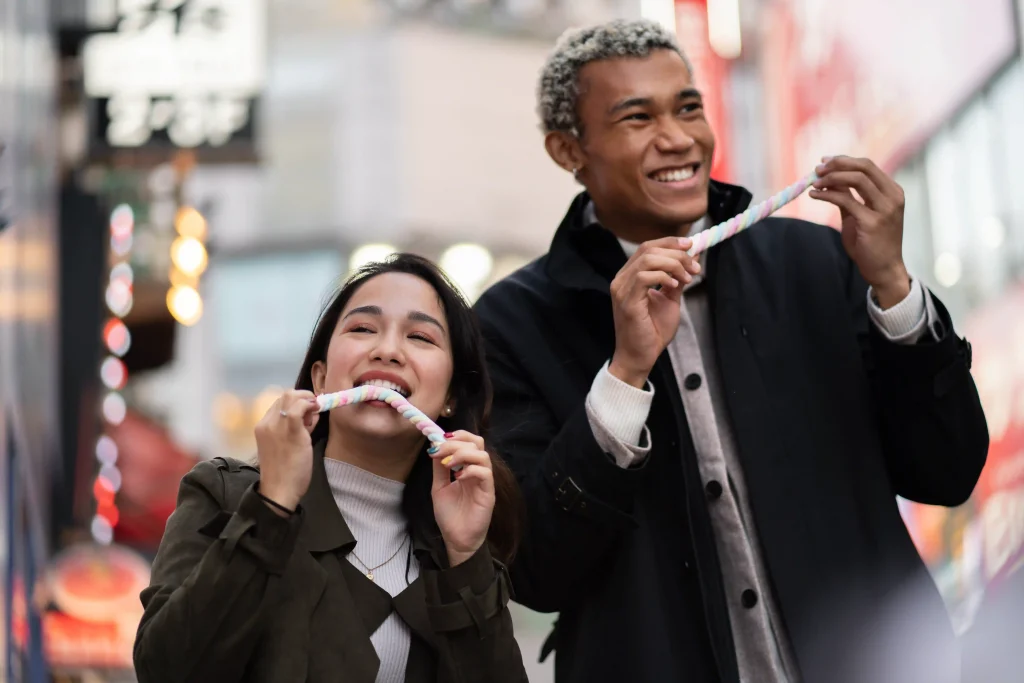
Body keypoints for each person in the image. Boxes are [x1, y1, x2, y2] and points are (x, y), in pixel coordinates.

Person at [473, 19, 989, 683]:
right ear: (568, 149)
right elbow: (537, 570)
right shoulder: (512, 325)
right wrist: (624, 374)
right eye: (638, 118)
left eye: (688, 107)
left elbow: (947, 470)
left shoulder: (815, 261)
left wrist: (891, 283)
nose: (678, 138)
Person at [134, 254, 528, 683]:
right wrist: (272, 506)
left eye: (419, 337)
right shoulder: (224, 496)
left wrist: (467, 557)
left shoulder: (453, 545)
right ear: (320, 380)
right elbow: (167, 668)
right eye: (362, 329)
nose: (387, 350)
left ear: (450, 395)